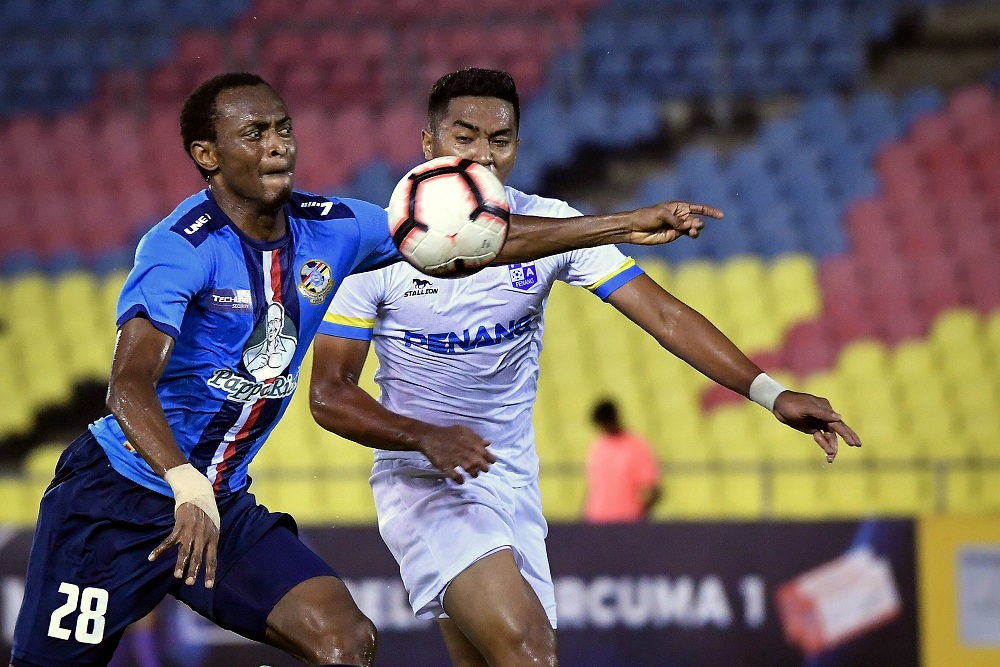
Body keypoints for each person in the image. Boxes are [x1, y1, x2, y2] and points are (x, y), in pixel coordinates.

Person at [8, 71, 718, 667]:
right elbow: (128, 384)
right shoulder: (179, 248)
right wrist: (183, 483)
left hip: (222, 506)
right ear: (207, 154)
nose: (278, 143)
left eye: (283, 128)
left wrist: (621, 224)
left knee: (345, 640)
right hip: (116, 502)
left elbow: (470, 240)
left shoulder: (335, 227)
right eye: (253, 133)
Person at [309, 67, 862, 667]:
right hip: (424, 477)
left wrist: (771, 393)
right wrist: (425, 437)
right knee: (528, 650)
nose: (484, 156)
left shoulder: (551, 222)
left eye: (500, 140)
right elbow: (329, 395)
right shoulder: (377, 244)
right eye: (464, 137)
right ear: (428, 143)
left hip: (509, 477)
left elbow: (664, 315)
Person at [583, 399, 662, 523]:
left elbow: (654, 489)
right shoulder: (598, 446)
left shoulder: (635, 445)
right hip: (597, 518)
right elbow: (592, 486)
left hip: (627, 520)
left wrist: (639, 514)